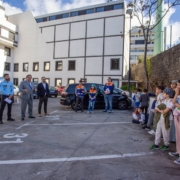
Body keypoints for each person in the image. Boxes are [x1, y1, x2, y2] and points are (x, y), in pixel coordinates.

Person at [169, 80, 180, 165]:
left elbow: (175, 104)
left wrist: (177, 104)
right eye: (177, 85)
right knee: (178, 136)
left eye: (179, 86)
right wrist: (177, 93)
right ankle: (178, 151)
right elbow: (173, 102)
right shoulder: (178, 94)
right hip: (177, 116)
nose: (177, 87)